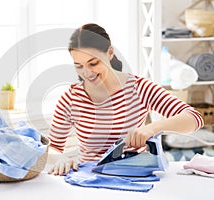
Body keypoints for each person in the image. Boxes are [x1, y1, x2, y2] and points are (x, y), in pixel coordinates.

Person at [47, 23, 204, 176]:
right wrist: (61, 158)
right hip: (90, 179)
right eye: (79, 66)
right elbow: (52, 146)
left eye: (93, 63)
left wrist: (152, 128)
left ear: (110, 52)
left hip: (135, 177)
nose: (87, 73)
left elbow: (194, 118)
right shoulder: (71, 99)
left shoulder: (138, 88)